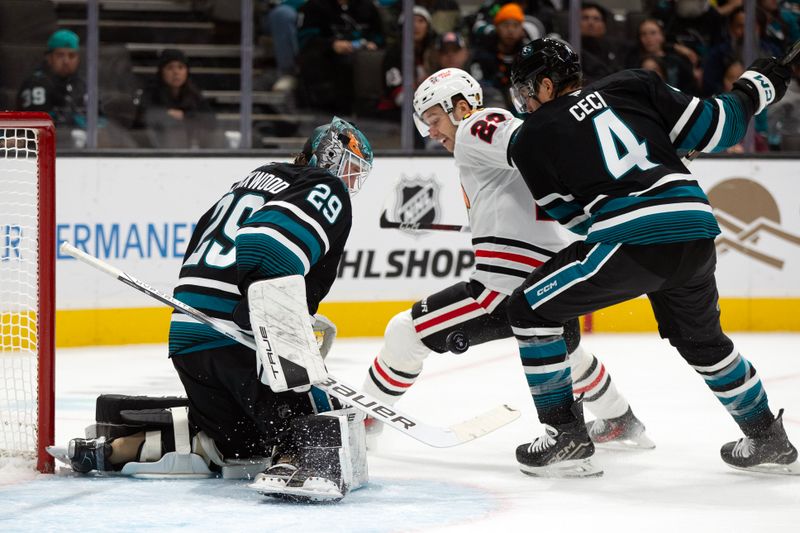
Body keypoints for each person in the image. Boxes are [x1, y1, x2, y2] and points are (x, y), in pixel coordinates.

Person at [506, 37, 798, 477]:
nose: (526, 102)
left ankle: (565, 435)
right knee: (704, 343)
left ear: (546, 85)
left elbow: (575, 219)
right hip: (695, 227)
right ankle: (766, 437)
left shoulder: (530, 137)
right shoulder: (633, 84)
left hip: (634, 237)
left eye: (527, 91)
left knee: (528, 310)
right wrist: (756, 87)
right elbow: (719, 126)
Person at [66, 117, 376, 502]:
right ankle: (301, 460)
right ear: (327, 155)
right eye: (348, 167)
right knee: (325, 417)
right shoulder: (324, 185)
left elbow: (204, 242)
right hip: (240, 336)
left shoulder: (254, 180)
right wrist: (269, 309)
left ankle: (115, 449)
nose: (349, 181)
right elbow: (268, 246)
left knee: (243, 450)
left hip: (188, 339)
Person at [361, 67, 654, 453]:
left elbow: (527, 140)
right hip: (552, 282)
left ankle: (359, 426)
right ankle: (620, 420)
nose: (431, 131)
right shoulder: (484, 144)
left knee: (405, 332)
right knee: (567, 352)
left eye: (433, 118)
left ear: (461, 106)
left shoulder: (475, 125)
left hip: (504, 288)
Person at [296, 0, 385, 114]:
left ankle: (368, 109)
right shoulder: (314, 6)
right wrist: (332, 45)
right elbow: (306, 40)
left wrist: (373, 43)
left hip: (362, 59)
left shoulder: (367, 6)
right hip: (327, 60)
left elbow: (379, 37)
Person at [134, 49, 218, 149]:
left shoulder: (193, 93)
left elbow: (209, 118)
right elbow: (143, 116)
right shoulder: (151, 91)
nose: (176, 72)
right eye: (170, 68)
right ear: (162, 72)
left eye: (181, 67)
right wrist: (166, 115)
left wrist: (185, 116)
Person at [16, 29, 88, 133]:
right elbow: (37, 127)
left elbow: (100, 119)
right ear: (49, 57)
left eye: (71, 56)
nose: (66, 61)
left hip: (81, 147)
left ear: (78, 58)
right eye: (60, 55)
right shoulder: (36, 84)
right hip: (42, 146)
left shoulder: (82, 85)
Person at [469, 2, 529, 109]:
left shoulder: (527, 53)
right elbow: (477, 85)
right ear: (496, 27)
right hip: (491, 102)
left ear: (522, 30)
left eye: (515, 25)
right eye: (505, 25)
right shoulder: (483, 53)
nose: (510, 30)